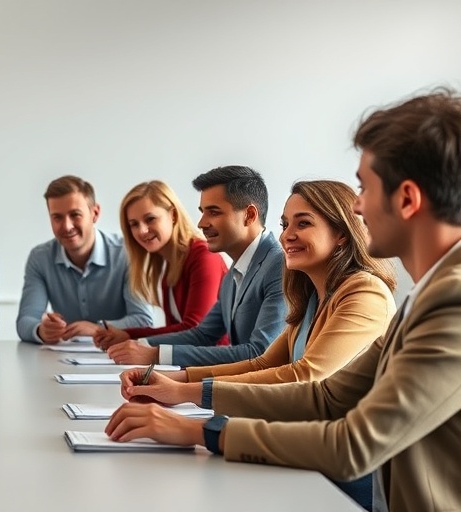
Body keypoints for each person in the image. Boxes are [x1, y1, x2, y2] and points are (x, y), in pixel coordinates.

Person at [106, 89, 461, 512]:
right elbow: (324, 397)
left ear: (406, 198)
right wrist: (184, 392)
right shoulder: (423, 296)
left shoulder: (448, 301)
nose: (359, 205)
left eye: (365, 188)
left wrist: (199, 430)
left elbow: (352, 443)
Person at [160, 180, 396, 386]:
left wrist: (187, 390)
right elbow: (263, 364)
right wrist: (179, 379)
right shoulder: (311, 297)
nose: (286, 235)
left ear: (342, 234)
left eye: (303, 223)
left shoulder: (366, 292)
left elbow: (305, 376)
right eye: (285, 225)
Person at [106, 166, 287, 366]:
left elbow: (260, 354)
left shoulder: (278, 266)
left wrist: (155, 354)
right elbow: (202, 334)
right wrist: (140, 344)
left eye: (214, 212)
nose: (201, 223)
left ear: (249, 215)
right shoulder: (234, 275)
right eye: (202, 212)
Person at [16, 175, 155, 344]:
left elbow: (143, 320)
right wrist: (40, 330)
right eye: (57, 217)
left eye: (75, 214)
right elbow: (25, 321)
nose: (67, 226)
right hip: (63, 361)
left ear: (95, 213)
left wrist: (98, 328)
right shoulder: (40, 258)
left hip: (120, 358)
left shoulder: (127, 253)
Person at [94, 180, 228, 348]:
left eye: (150, 219)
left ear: (173, 215)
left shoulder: (204, 256)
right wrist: (126, 336)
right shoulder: (168, 266)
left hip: (215, 368)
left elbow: (195, 330)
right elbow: (176, 332)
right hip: (190, 365)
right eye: (134, 224)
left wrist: (130, 337)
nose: (142, 230)